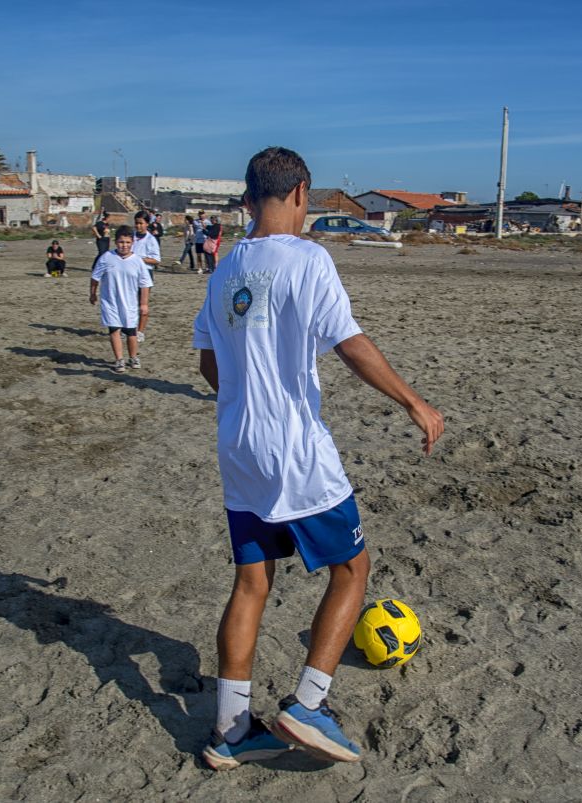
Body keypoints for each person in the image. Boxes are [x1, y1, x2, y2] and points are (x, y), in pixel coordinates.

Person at [193, 147, 444, 770]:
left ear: (250, 196)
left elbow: (207, 362)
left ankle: (231, 730)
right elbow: (350, 342)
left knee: (252, 581)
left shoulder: (224, 269)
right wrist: (414, 402)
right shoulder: (308, 258)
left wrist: (246, 395)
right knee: (352, 570)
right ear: (302, 192)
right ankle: (308, 703)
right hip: (294, 448)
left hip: (238, 445)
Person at [90, 226, 151, 372]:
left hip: (129, 303)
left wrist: (144, 304)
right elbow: (95, 277)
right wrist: (92, 293)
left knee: (131, 332)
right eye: (121, 242)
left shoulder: (137, 261)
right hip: (110, 302)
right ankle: (119, 360)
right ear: (116, 242)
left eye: (127, 242)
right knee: (114, 330)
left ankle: (133, 357)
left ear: (132, 243)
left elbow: (145, 284)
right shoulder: (106, 258)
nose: (124, 245)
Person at [131, 211, 162, 340]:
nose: (138, 226)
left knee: (142, 304)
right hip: (130, 273)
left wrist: (139, 259)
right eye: (136, 223)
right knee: (130, 303)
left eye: (141, 223)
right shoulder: (131, 237)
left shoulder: (151, 240)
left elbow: (156, 260)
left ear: (147, 224)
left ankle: (140, 331)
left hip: (145, 273)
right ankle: (129, 329)